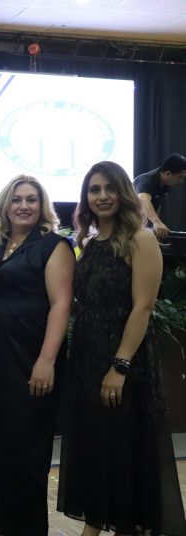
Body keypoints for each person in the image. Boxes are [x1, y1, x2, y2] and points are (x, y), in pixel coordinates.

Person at [58, 161, 186, 536]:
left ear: (124, 193)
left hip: (123, 357)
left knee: (123, 446)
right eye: (94, 189)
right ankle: (96, 523)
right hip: (87, 354)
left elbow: (143, 306)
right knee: (97, 444)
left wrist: (120, 366)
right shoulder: (87, 243)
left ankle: (122, 526)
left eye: (109, 188)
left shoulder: (140, 239)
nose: (102, 196)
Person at [0, 175, 74, 536]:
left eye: (32, 199)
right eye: (17, 199)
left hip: (31, 358)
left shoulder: (54, 245)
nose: (24, 206)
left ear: (42, 206)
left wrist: (46, 361)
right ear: (5, 205)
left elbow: (61, 305)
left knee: (27, 448)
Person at [133, 153, 186, 239]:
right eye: (180, 177)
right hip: (127, 226)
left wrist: (155, 226)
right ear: (168, 173)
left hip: (141, 226)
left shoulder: (165, 184)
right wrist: (157, 222)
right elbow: (143, 200)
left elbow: (157, 206)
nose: (181, 181)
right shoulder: (146, 180)